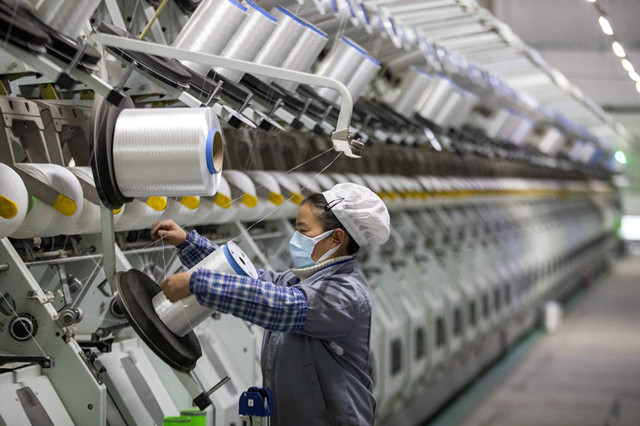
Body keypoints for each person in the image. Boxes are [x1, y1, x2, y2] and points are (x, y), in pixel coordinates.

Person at [151, 183, 390, 425]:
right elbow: (251, 279)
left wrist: (199, 284)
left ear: (336, 238)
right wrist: (188, 243)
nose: (295, 238)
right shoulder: (300, 280)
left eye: (303, 231)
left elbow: (280, 305)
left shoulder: (345, 295)